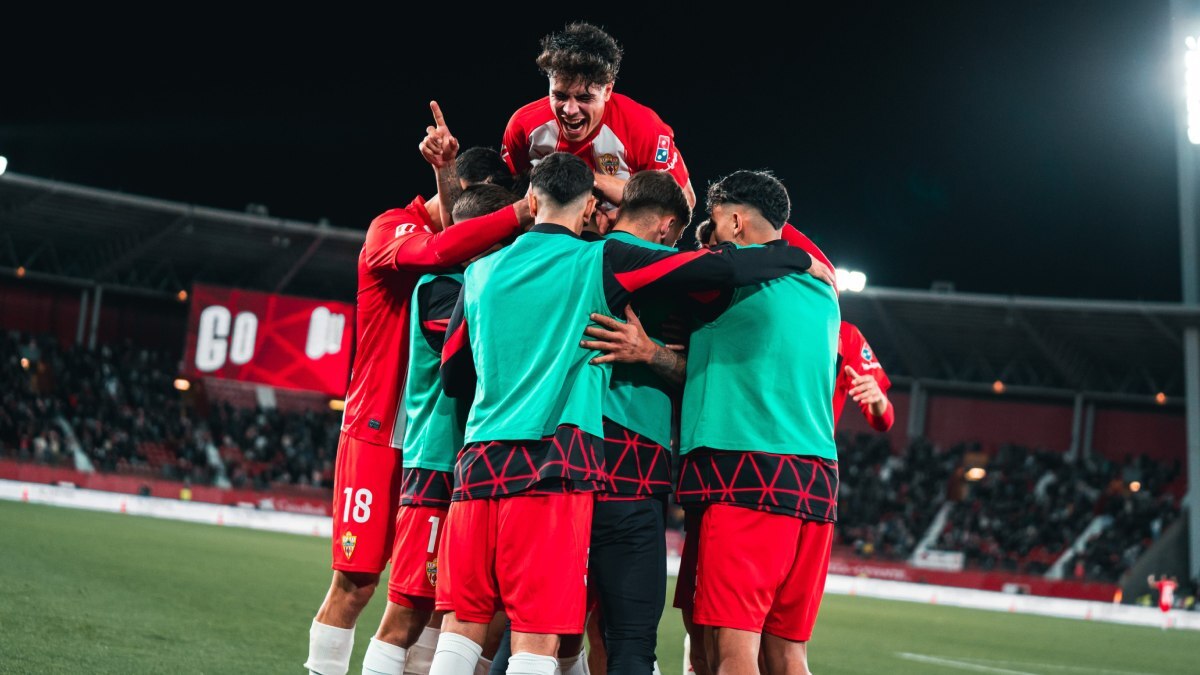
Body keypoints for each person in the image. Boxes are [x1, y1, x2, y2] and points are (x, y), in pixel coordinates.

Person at [429, 153, 829, 675]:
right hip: (579, 468)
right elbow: (725, 266)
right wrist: (798, 258)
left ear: (531, 201)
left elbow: (454, 376)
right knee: (581, 635)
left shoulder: (481, 271)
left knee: (475, 624)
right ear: (668, 227)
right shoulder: (616, 262)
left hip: (483, 463)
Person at [304, 103, 531, 675]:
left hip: (437, 433)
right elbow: (433, 251)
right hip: (380, 429)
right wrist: (524, 212)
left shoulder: (473, 262)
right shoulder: (392, 228)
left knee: (430, 592)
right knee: (356, 584)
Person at [676, 170, 840, 675]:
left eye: (716, 221)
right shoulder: (824, 290)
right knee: (789, 655)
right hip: (817, 481)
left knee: (734, 652)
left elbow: (664, 274)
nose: (711, 233)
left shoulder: (725, 276)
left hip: (746, 473)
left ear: (736, 220)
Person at [360, 184, 522, 675]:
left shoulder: (480, 279)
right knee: (407, 612)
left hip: (475, 466)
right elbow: (470, 366)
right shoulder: (441, 287)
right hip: (435, 460)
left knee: (475, 609)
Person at [574, 171, 692, 675]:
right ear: (667, 229)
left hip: (561, 462)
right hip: (632, 472)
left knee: (534, 632)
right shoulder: (683, 276)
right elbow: (730, 268)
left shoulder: (566, 259)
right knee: (631, 641)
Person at [501, 22, 696, 212]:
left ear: (607, 91)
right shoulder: (523, 125)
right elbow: (510, 197)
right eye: (559, 95)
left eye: (584, 98)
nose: (569, 110)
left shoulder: (643, 127)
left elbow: (683, 201)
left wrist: (590, 181)